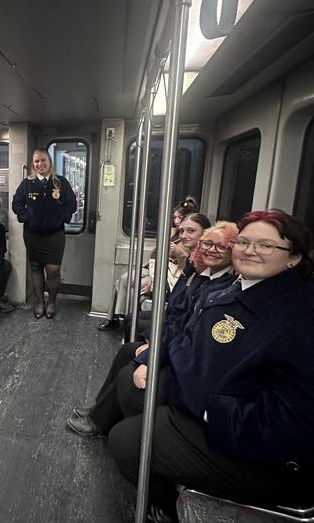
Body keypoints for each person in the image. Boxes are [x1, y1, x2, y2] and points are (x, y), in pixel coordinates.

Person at [109, 209, 314, 523]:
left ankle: (171, 509)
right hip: (201, 395)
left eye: (266, 245)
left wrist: (215, 414)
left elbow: (297, 419)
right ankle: (169, 480)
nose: (250, 250)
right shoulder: (238, 289)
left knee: (126, 440)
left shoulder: (297, 317)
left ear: (294, 258)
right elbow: (188, 336)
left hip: (255, 447)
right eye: (244, 242)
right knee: (132, 388)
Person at [67, 221, 237, 438]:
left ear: (233, 251)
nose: (211, 250)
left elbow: (184, 327)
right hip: (174, 338)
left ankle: (99, 421)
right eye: (208, 244)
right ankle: (100, 409)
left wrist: (152, 353)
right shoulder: (201, 273)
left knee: (129, 366)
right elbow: (176, 311)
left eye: (221, 247)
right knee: (127, 351)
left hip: (184, 356)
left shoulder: (221, 286)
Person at [98, 196, 200, 331]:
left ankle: (131, 322)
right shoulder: (172, 233)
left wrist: (177, 252)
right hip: (155, 267)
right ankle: (115, 318)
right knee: (124, 279)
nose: (176, 221)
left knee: (136, 285)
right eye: (174, 218)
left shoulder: (193, 242)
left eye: (180, 218)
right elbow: (155, 255)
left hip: (171, 275)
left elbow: (187, 269)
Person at [12, 148, 77, 318]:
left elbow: (72, 203)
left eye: (43, 160)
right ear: (33, 164)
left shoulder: (60, 182)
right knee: (35, 267)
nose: (40, 164)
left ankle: (52, 301)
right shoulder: (27, 184)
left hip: (55, 234)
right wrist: (26, 217)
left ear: (49, 162)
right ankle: (40, 302)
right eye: (36, 161)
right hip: (33, 234)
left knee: (53, 270)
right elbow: (16, 204)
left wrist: (61, 216)